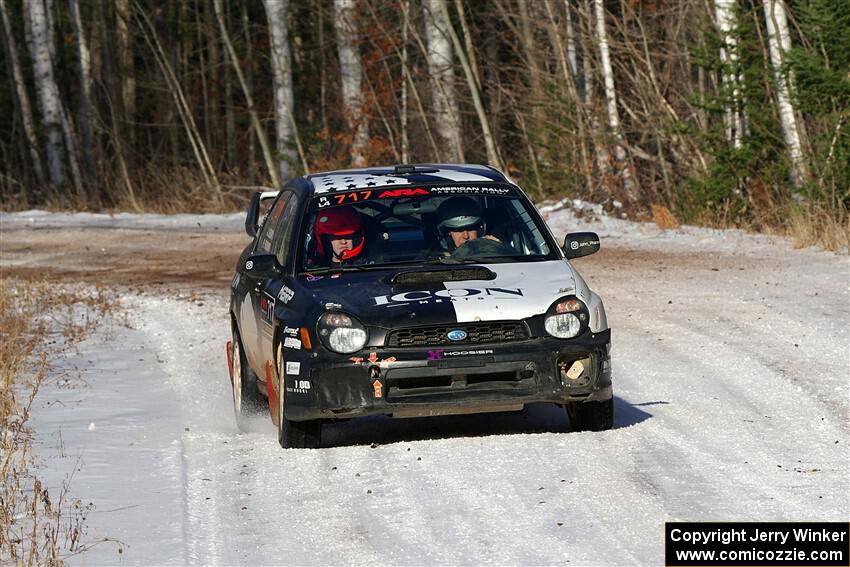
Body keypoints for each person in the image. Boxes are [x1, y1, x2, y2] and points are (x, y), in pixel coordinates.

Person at [436, 196, 502, 252]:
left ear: (480, 230)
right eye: (459, 230)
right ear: (447, 233)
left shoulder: (489, 249)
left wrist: (496, 249)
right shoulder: (434, 262)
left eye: (470, 228)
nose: (466, 236)